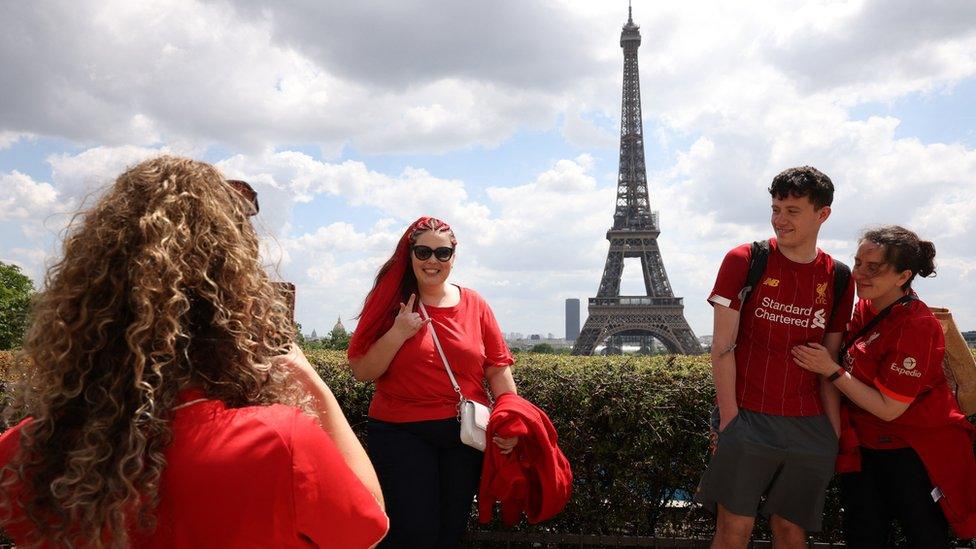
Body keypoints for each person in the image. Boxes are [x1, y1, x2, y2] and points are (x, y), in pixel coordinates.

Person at [0, 156, 388, 548]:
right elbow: (368, 527)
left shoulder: (25, 451)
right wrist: (314, 384)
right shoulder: (277, 442)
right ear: (231, 304)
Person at [694, 166, 855, 549]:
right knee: (733, 530)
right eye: (775, 208)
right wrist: (731, 418)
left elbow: (829, 360)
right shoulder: (745, 259)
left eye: (792, 211)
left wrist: (830, 433)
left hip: (810, 424)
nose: (780, 220)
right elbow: (722, 347)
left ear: (823, 214)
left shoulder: (839, 277)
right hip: (748, 415)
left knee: (791, 530)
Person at [793, 226, 976, 547]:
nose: (859, 273)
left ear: (903, 275)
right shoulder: (868, 307)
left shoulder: (915, 327)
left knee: (924, 536)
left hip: (912, 453)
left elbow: (889, 408)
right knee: (864, 536)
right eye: (858, 263)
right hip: (866, 448)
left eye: (873, 267)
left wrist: (831, 370)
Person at [348, 216, 518, 548]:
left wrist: (512, 421)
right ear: (409, 255)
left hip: (463, 436)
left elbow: (497, 369)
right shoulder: (388, 304)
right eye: (423, 252)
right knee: (416, 534)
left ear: (454, 256)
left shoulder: (475, 304)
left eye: (442, 253)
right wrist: (399, 332)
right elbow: (363, 371)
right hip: (401, 432)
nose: (432, 261)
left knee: (449, 532)